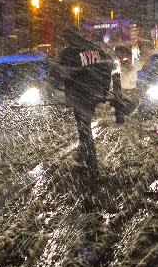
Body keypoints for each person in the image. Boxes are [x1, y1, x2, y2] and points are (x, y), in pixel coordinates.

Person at [53, 28, 125, 183]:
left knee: (84, 128)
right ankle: (84, 155)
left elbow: (60, 73)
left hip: (79, 95)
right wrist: (103, 90)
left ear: (69, 39)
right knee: (84, 127)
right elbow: (107, 70)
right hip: (95, 92)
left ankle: (91, 164)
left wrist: (57, 87)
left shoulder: (69, 53)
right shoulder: (96, 50)